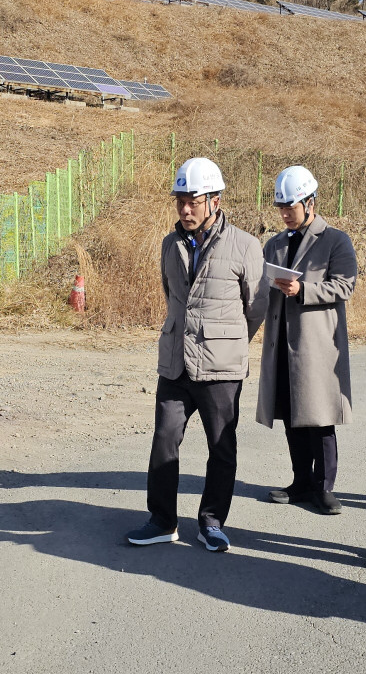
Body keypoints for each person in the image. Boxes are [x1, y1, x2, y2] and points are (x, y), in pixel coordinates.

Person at [127, 157, 266, 553]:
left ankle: (211, 523)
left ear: (214, 201)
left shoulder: (244, 245)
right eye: (180, 201)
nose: (185, 209)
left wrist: (229, 343)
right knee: (164, 439)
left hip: (221, 368)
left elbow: (256, 306)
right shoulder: (170, 244)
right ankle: (162, 520)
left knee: (221, 446)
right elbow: (172, 295)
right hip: (175, 363)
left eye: (193, 201)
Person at [256, 166, 357, 516]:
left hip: (316, 345)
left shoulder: (335, 240)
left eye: (291, 206)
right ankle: (301, 481)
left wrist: (303, 290)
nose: (285, 213)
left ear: (310, 203)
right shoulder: (274, 244)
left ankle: (324, 487)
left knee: (319, 417)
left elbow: (344, 285)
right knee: (291, 413)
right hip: (281, 343)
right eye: (281, 207)